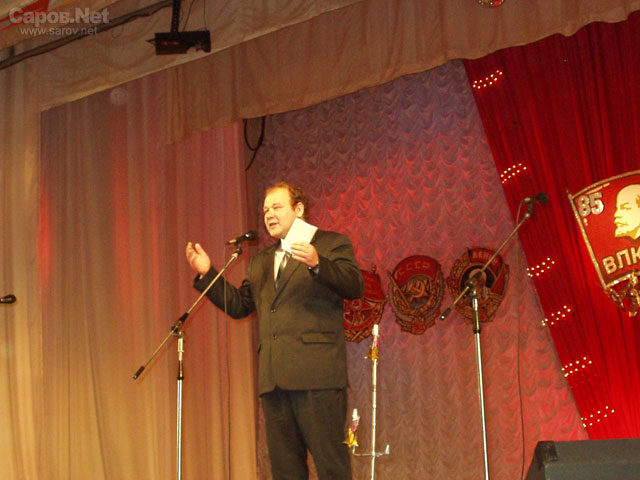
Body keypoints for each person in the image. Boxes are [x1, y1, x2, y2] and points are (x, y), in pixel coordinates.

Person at [186, 182, 364, 480]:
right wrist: (208, 273)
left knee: (332, 468)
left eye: (276, 207)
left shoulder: (331, 243)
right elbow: (240, 306)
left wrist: (318, 263)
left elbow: (354, 286)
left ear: (299, 209)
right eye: (265, 209)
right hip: (274, 384)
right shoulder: (261, 261)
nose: (268, 214)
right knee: (285, 472)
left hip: (317, 377)